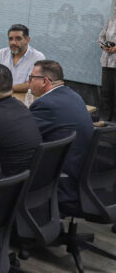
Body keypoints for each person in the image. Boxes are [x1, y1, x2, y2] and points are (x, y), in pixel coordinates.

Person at [28, 60, 94, 211]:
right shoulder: (73, 95)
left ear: (45, 81)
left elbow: (24, 136)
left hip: (63, 177)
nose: (29, 81)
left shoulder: (46, 104)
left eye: (32, 77)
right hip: (81, 171)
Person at [0, 24, 45, 92]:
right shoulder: (2, 53)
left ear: (27, 40)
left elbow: (31, 84)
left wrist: (4, 88)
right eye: (10, 39)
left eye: (18, 39)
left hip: (23, 97)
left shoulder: (37, 57)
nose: (13, 42)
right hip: (0, 94)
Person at [98, 8, 116, 121]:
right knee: (106, 91)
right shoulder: (111, 21)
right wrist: (104, 46)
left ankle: (114, 121)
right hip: (106, 62)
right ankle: (104, 118)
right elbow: (101, 38)